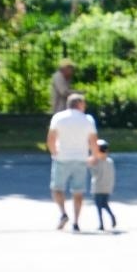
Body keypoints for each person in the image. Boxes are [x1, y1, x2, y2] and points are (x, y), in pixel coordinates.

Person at [47, 92, 98, 229]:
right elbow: (93, 140)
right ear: (79, 104)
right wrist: (94, 155)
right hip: (81, 158)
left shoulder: (58, 118)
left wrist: (54, 152)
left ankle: (63, 213)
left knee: (57, 188)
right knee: (78, 192)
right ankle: (76, 221)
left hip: (61, 158)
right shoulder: (87, 119)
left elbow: (51, 139)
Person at [89, 139, 117, 230]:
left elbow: (95, 174)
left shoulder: (97, 162)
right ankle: (111, 216)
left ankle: (101, 224)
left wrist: (90, 165)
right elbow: (112, 175)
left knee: (99, 206)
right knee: (105, 204)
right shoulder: (110, 161)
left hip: (98, 188)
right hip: (107, 188)